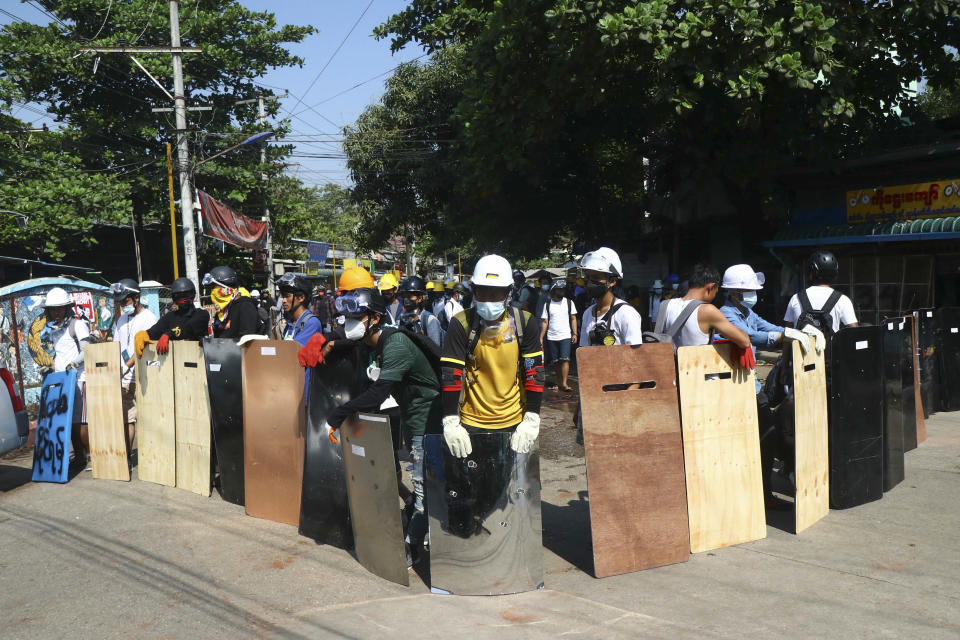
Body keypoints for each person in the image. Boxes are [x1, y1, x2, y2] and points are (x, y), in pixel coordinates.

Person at [312, 288, 439, 567]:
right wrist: (329, 340)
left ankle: (411, 548)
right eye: (348, 317)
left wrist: (338, 415)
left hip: (429, 418)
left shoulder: (395, 345)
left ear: (375, 319)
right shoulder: (371, 342)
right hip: (412, 414)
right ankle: (416, 525)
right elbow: (349, 341)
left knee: (422, 487)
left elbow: (380, 392)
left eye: (358, 316)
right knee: (420, 485)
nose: (350, 322)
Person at [440, 254, 544, 459]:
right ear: (474, 291)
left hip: (514, 422)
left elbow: (534, 371)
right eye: (482, 292)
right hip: (470, 423)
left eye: (496, 293)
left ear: (508, 293)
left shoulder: (524, 322)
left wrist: (532, 417)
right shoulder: (461, 323)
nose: (488, 299)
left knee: (510, 489)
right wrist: (451, 420)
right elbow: (451, 374)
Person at [717, 264, 791, 509]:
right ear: (735, 293)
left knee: (767, 438)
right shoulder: (725, 313)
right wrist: (781, 338)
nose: (753, 295)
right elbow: (749, 336)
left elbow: (767, 327)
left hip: (751, 387)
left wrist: (793, 332)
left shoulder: (748, 313)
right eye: (748, 290)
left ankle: (764, 494)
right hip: (731, 389)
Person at [42, 287, 92, 470]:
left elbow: (87, 350)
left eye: (60, 308)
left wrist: (73, 365)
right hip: (61, 380)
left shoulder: (77, 324)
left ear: (67, 308)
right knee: (68, 422)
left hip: (79, 378)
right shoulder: (52, 329)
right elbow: (56, 353)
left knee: (80, 421)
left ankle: (90, 456)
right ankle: (79, 457)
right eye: (53, 309)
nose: (56, 312)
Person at [659, 264, 753, 353]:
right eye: (715, 292)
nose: (714, 296)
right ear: (711, 287)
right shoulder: (707, 310)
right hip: (695, 367)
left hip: (670, 367)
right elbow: (744, 342)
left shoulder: (665, 305)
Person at [111, 278, 157, 455]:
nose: (123, 304)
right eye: (121, 302)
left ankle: (151, 456)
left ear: (136, 297)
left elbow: (145, 348)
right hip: (124, 377)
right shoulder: (121, 320)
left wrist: (128, 365)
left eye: (126, 300)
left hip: (143, 376)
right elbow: (117, 345)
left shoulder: (149, 318)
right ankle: (126, 456)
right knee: (127, 419)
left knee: (148, 420)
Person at [578, 248, 644, 347]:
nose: (590, 282)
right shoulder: (587, 314)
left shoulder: (626, 313)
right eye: (588, 277)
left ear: (612, 281)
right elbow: (584, 350)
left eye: (596, 277)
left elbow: (635, 355)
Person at [784, 250, 858, 334]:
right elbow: (854, 332)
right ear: (834, 273)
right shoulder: (843, 300)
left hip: (802, 347)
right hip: (830, 347)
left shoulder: (796, 298)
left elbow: (788, 333)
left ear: (811, 272)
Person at [137, 278, 211, 356]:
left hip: (197, 359)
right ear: (174, 298)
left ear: (192, 295)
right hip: (175, 361)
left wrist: (168, 334)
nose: (182, 298)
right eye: (178, 295)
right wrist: (144, 334)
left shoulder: (202, 314)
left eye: (186, 295)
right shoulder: (169, 317)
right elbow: (155, 331)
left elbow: (189, 328)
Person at [540, 281, 578, 392]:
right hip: (552, 336)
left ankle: (564, 384)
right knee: (556, 362)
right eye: (559, 289)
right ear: (554, 291)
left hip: (565, 335)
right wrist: (541, 337)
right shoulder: (547, 305)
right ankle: (559, 381)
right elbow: (545, 322)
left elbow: (573, 318)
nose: (562, 291)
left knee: (565, 360)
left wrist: (575, 333)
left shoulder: (569, 303)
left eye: (563, 289)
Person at [205, 266, 259, 339]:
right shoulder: (223, 310)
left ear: (225, 286)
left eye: (213, 287)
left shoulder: (245, 305)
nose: (212, 292)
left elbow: (247, 338)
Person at [276, 273, 321, 346]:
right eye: (283, 296)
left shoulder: (312, 323)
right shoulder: (291, 322)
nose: (283, 300)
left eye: (287, 296)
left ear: (301, 298)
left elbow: (295, 350)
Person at [397, 276, 443, 347]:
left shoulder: (430, 320)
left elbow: (435, 351)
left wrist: (419, 335)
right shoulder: (402, 318)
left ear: (420, 298)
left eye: (409, 297)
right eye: (404, 297)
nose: (406, 300)